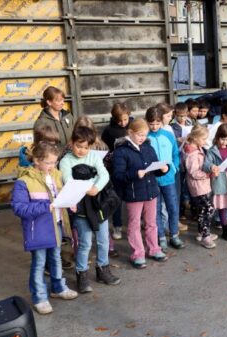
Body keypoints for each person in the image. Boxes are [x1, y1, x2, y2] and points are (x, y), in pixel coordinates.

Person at [11, 141, 78, 315]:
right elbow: (19, 208)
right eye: (48, 163)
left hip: (55, 224)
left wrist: (70, 203)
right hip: (37, 229)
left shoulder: (55, 175)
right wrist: (44, 207)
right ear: (36, 160)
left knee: (56, 258)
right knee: (39, 262)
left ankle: (58, 288)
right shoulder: (23, 182)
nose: (52, 166)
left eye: (54, 162)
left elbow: (62, 194)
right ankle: (39, 297)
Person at [59, 126, 120, 292]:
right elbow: (68, 180)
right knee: (85, 242)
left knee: (103, 239)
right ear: (72, 143)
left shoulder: (93, 156)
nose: (82, 150)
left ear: (91, 146)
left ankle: (103, 269)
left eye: (86, 147)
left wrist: (97, 188)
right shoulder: (66, 161)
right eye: (79, 146)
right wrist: (87, 188)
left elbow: (104, 174)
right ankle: (82, 274)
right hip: (80, 206)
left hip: (98, 203)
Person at [112, 119, 170, 268]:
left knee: (151, 223)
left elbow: (154, 168)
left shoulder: (148, 147)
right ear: (130, 132)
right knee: (134, 224)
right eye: (139, 134)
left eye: (145, 134)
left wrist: (164, 169)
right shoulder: (121, 151)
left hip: (151, 191)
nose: (142, 138)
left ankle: (154, 249)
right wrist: (135, 174)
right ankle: (138, 253)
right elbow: (118, 175)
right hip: (133, 194)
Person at [145, 107, 184, 251]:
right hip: (152, 180)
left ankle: (174, 235)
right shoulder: (145, 138)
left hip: (169, 179)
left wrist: (174, 169)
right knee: (155, 210)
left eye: (157, 124)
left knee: (173, 207)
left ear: (162, 122)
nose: (154, 127)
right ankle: (161, 237)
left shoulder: (168, 135)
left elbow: (175, 154)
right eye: (151, 124)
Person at [184, 126, 218, 249]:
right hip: (198, 186)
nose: (205, 141)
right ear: (196, 138)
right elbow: (193, 172)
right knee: (208, 209)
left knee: (203, 210)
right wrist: (208, 174)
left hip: (203, 185)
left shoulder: (198, 148)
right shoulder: (192, 154)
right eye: (203, 139)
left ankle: (201, 232)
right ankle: (205, 236)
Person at [101, 102, 131, 241]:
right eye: (120, 120)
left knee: (133, 198)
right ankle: (117, 225)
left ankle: (134, 223)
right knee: (117, 198)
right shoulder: (109, 131)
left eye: (125, 119)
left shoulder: (132, 126)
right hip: (116, 169)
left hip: (131, 168)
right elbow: (104, 150)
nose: (123, 123)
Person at [34, 86, 74, 150]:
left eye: (63, 100)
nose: (62, 103)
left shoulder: (68, 116)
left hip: (71, 157)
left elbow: (76, 134)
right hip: (54, 159)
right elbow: (40, 148)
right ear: (49, 102)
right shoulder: (41, 122)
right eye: (59, 101)